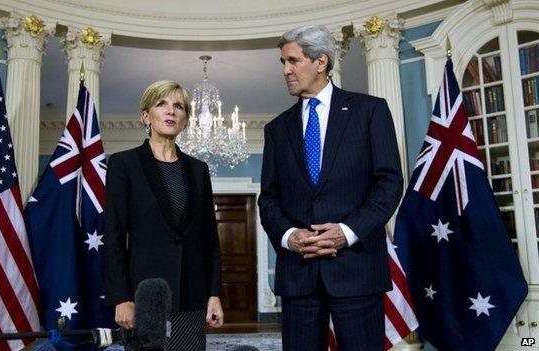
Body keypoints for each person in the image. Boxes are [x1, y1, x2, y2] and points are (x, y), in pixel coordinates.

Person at [258, 25, 403, 351]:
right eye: (283, 62)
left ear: (320, 62)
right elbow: (268, 198)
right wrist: (288, 237)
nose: (286, 70)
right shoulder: (277, 129)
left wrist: (348, 231)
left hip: (357, 267)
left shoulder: (370, 110)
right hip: (298, 274)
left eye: (293, 61)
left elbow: (389, 182)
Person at [104, 80, 224, 350]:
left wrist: (214, 293)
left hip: (191, 295)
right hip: (144, 296)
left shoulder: (198, 170)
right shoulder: (123, 164)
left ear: (185, 120)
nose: (171, 111)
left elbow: (210, 242)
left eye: (178, 106)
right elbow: (113, 236)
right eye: (162, 104)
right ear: (146, 116)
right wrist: (121, 298)